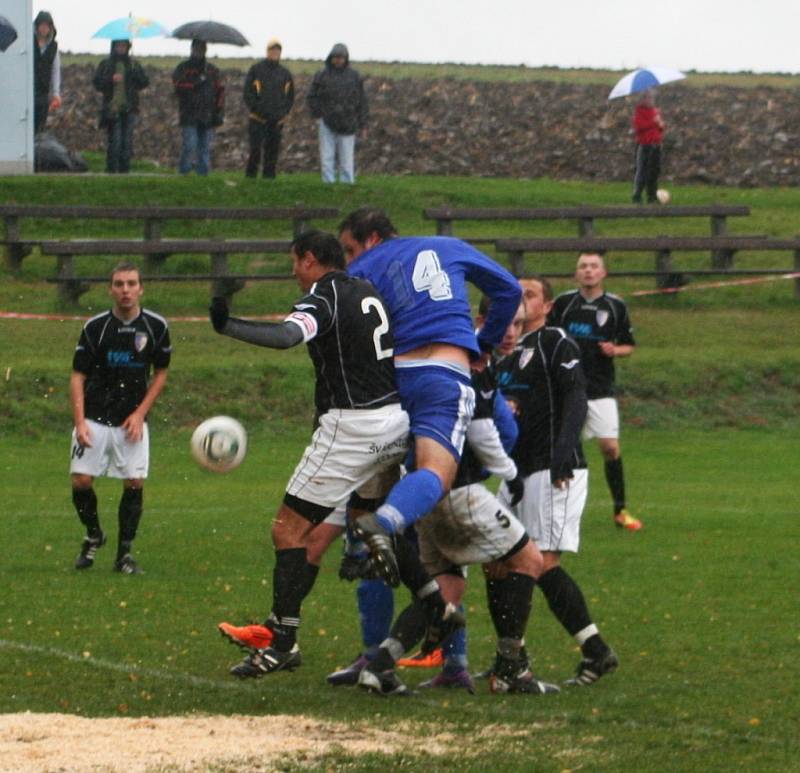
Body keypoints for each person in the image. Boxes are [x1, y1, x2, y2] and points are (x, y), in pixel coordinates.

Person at [210, 231, 460, 678]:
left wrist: (227, 325)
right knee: (370, 524)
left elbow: (290, 335)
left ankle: (282, 643)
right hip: (391, 423)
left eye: (294, 262)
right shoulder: (367, 290)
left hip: (351, 428)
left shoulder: (322, 296)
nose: (293, 272)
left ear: (309, 259)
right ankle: (434, 603)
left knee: (288, 531)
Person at [339, 207, 521, 586]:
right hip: (442, 374)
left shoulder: (358, 273)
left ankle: (355, 542)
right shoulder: (446, 245)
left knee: (377, 468)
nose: (349, 259)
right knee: (435, 471)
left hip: (390, 382)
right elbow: (509, 290)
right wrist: (484, 345)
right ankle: (382, 525)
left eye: (349, 249)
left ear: (371, 239)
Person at [496, 275, 619, 687]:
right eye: (515, 295)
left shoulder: (555, 341)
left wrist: (564, 451)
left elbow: (576, 396)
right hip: (518, 471)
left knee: (542, 563)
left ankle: (596, 651)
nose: (520, 301)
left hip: (554, 469)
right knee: (497, 561)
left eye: (528, 295)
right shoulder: (508, 352)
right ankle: (511, 658)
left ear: (547, 305)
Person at [69, 262, 171, 575]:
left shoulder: (156, 326)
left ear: (141, 288)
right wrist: (80, 420)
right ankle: (94, 534)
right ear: (110, 289)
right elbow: (77, 376)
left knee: (134, 482)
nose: (125, 290)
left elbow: (161, 372)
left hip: (131, 421)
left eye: (131, 283)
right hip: (96, 417)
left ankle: (124, 555)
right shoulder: (95, 327)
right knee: (81, 480)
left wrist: (141, 414)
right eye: (119, 284)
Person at [548, 252, 641, 531]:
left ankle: (620, 510)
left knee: (610, 448)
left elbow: (629, 345)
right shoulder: (564, 303)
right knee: (564, 447)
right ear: (576, 274)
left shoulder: (615, 306)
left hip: (600, 388)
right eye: (583, 266)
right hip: (566, 387)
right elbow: (548, 336)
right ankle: (558, 510)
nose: (588, 271)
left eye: (593, 266)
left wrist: (615, 350)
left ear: (603, 273)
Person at [307, 43, 368, 184]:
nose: (338, 60)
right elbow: (312, 96)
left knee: (347, 158)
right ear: (331, 58)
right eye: (336, 57)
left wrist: (363, 123)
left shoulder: (354, 76)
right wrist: (318, 113)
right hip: (327, 121)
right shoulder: (322, 75)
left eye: (341, 57)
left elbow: (362, 101)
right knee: (327, 156)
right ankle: (328, 183)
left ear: (346, 58)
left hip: (348, 122)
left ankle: (347, 183)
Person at [93, 39, 149, 174]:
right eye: (118, 45)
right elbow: (97, 84)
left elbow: (144, 82)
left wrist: (135, 74)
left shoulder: (133, 64)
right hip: (112, 109)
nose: (121, 48)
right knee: (115, 141)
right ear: (114, 46)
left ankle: (125, 170)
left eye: (124, 46)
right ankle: (111, 169)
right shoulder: (106, 64)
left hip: (130, 108)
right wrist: (110, 79)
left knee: (127, 142)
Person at [243, 38, 294, 179]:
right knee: (255, 150)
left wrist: (284, 113)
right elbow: (248, 93)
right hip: (257, 119)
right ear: (267, 51)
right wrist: (257, 109)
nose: (275, 52)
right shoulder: (256, 70)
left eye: (278, 50)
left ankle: (269, 178)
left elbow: (290, 96)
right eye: (272, 49)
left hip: (277, 120)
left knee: (272, 151)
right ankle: (250, 177)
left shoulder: (285, 73)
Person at [172, 39, 225, 176]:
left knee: (204, 147)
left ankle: (203, 173)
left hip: (208, 114)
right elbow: (178, 86)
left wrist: (219, 111)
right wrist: (196, 82)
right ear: (191, 49)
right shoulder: (183, 68)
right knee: (190, 145)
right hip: (189, 113)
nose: (199, 51)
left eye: (201, 49)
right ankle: (184, 171)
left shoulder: (212, 70)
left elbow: (220, 92)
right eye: (196, 48)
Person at [632, 89, 665, 204]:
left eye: (652, 97)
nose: (651, 100)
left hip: (656, 145)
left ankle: (652, 196)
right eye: (649, 98)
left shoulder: (655, 111)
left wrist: (660, 125)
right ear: (642, 99)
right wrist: (654, 122)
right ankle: (637, 195)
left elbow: (660, 128)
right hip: (645, 145)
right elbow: (639, 127)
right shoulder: (639, 112)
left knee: (654, 172)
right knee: (642, 171)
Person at [33, 10, 61, 134]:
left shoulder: (53, 47)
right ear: (37, 26)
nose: (44, 28)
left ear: (50, 28)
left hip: (43, 93)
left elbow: (56, 71)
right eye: (41, 25)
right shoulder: (29, 43)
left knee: (40, 126)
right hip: (28, 91)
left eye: (47, 26)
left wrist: (56, 93)